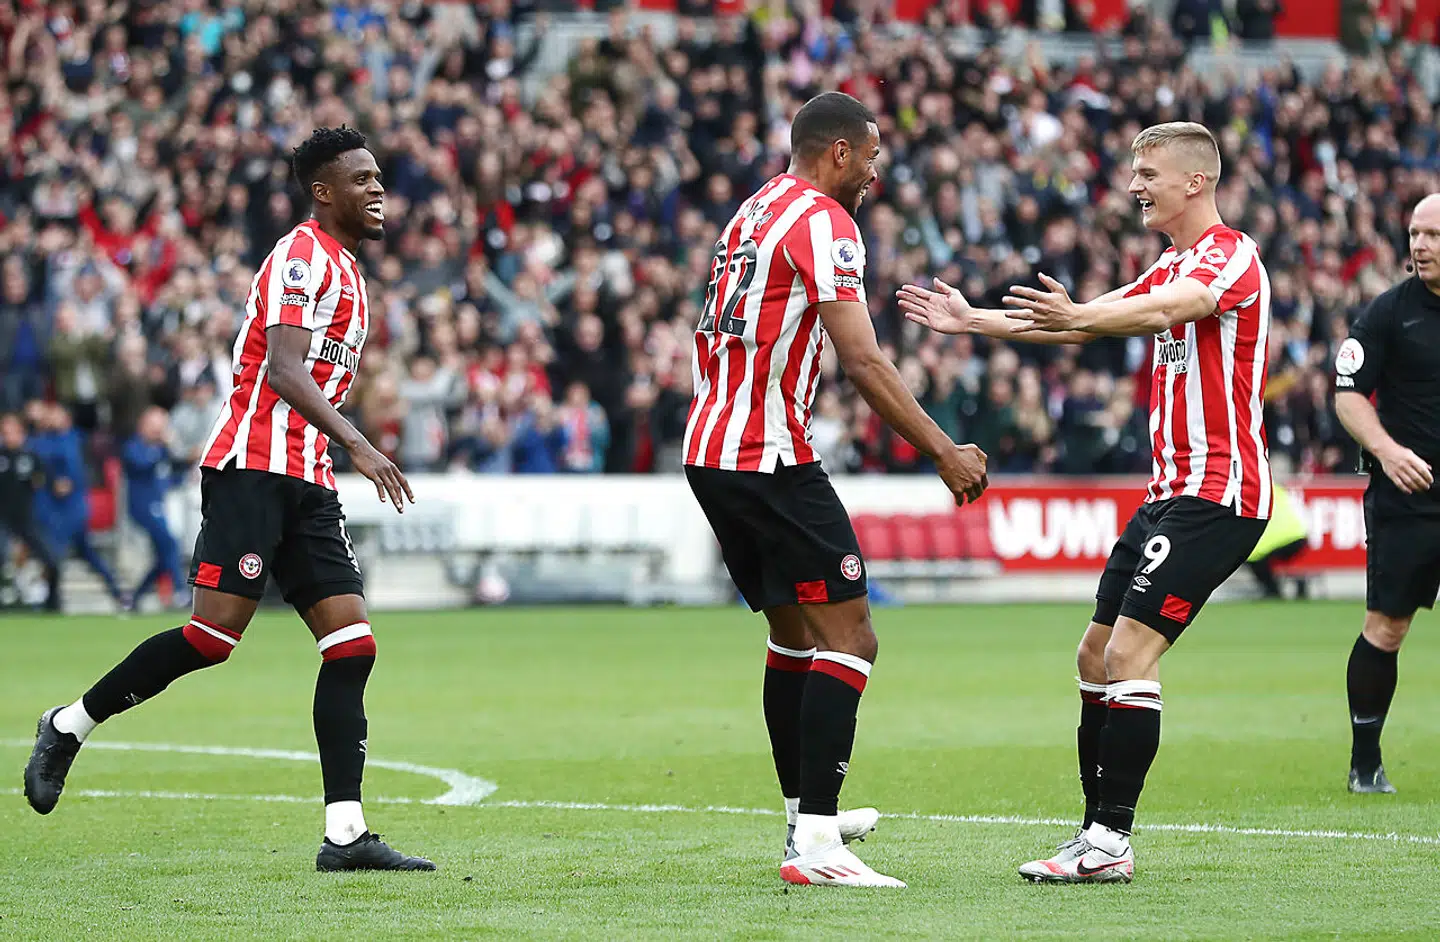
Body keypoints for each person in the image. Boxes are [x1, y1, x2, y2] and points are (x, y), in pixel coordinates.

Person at [23, 127, 434, 873]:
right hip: (251, 465)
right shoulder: (301, 256)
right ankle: (69, 724)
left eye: (380, 178)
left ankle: (345, 834)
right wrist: (360, 443)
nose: (379, 190)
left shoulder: (352, 273)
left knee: (352, 646)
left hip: (307, 479)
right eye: (363, 178)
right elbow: (282, 370)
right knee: (212, 639)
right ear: (324, 190)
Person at [900, 121, 1271, 883]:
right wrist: (975, 321)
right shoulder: (1172, 261)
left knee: (1132, 653)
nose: (1135, 183)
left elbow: (1161, 313)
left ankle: (1110, 840)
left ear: (1196, 181)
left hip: (1219, 492)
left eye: (1148, 171)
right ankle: (1094, 833)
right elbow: (1085, 322)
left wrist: (1081, 316)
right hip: (1168, 492)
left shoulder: (1229, 257)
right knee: (1095, 653)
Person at [683, 91, 989, 888]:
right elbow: (863, 359)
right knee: (853, 638)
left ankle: (802, 816)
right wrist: (943, 450)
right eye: (874, 156)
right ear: (840, 153)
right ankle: (819, 845)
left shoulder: (753, 210)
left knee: (795, 638)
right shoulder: (825, 221)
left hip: (713, 448)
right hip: (767, 454)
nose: (878, 173)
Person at [1332, 193, 1440, 795]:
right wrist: (1389, 450)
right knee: (1387, 626)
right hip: (1409, 499)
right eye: (1414, 234)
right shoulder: (1388, 313)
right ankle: (1365, 761)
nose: (1420, 245)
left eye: (1432, 235)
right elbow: (1347, 393)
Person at [30, 402, 125, 608]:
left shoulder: (77, 439)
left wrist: (65, 482)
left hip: (72, 507)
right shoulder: (41, 441)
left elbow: (80, 470)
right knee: (65, 553)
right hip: (52, 508)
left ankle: (51, 598)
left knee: (59, 553)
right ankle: (52, 599)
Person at [120, 406, 189, 610]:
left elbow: (174, 473)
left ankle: (133, 598)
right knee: (169, 542)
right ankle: (179, 591)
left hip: (159, 504)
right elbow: (142, 465)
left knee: (163, 555)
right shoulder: (134, 446)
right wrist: (164, 448)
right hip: (142, 506)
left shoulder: (161, 450)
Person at [0, 412, 61, 611]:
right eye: (4, 432)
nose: (8, 436)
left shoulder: (31, 457)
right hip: (3, 520)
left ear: (21, 433)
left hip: (25, 519)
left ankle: (52, 605)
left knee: (52, 562)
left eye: (12, 431)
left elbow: (47, 481)